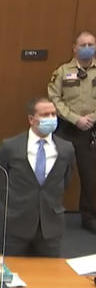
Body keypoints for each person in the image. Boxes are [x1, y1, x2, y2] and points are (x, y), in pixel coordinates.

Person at [0, 97, 75, 257]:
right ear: (31, 119)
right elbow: (2, 184)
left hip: (50, 226)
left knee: (48, 276)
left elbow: (65, 181)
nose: (52, 119)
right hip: (16, 224)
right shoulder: (10, 146)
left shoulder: (66, 149)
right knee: (11, 274)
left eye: (54, 114)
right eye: (45, 115)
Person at [48, 30, 96, 233]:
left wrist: (91, 119)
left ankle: (89, 216)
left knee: (90, 176)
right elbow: (54, 98)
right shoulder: (62, 71)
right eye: (83, 45)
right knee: (57, 173)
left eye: (91, 44)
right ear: (74, 48)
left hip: (91, 130)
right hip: (67, 128)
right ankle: (50, 215)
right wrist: (75, 119)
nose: (87, 48)